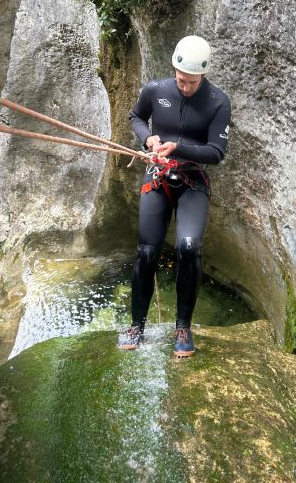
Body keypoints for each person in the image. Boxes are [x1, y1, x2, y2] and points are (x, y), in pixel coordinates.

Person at [119, 35, 231, 357]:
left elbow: (216, 152)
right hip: (157, 177)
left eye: (192, 83)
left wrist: (177, 147)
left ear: (203, 76)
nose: (185, 87)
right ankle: (137, 325)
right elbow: (136, 117)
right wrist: (148, 138)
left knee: (188, 247)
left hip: (192, 181)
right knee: (146, 251)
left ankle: (183, 325)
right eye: (181, 80)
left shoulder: (218, 101)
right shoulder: (155, 90)